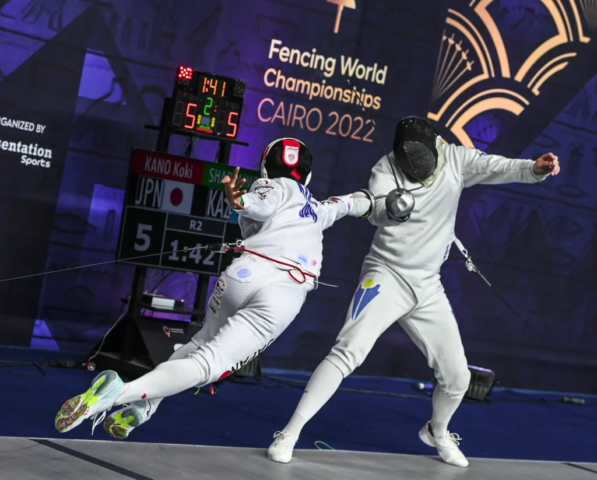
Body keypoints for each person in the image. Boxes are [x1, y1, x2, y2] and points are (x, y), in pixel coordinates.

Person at [54, 137, 404, 438]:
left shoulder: (294, 196)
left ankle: (146, 406)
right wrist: (388, 203)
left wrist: (240, 203)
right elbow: (351, 203)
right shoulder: (310, 204)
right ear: (308, 175)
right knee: (210, 364)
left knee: (199, 343)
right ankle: (118, 393)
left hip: (241, 276)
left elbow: (345, 203)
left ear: (265, 166)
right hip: (282, 292)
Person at [268, 117, 561, 468]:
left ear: (437, 146)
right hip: (385, 276)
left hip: (427, 286)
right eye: (408, 160)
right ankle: (289, 433)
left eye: (421, 159)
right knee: (347, 352)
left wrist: (534, 169)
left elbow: (498, 167)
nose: (415, 166)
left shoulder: (456, 158)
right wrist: (391, 210)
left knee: (458, 377)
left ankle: (437, 431)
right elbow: (375, 209)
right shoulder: (385, 168)